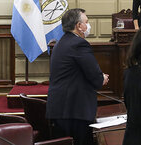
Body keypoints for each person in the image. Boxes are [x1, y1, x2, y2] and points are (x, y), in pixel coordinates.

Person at [46, 8, 109, 145]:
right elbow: (94, 75)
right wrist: (101, 78)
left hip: (61, 109)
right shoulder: (79, 44)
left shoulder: (61, 43)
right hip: (74, 110)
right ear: (79, 26)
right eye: (86, 22)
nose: (88, 25)